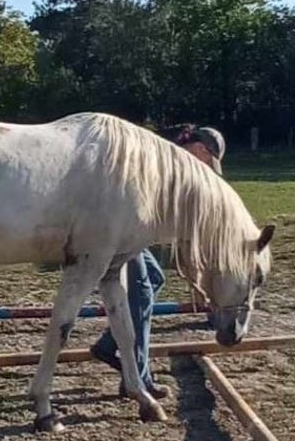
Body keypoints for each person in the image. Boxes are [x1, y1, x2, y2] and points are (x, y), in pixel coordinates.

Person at [89, 124, 226, 399]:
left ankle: (109, 344)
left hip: (127, 227)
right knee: (140, 294)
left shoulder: (172, 156)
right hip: (116, 228)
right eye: (209, 162)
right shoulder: (166, 158)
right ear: (200, 150)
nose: (207, 169)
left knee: (154, 277)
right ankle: (139, 378)